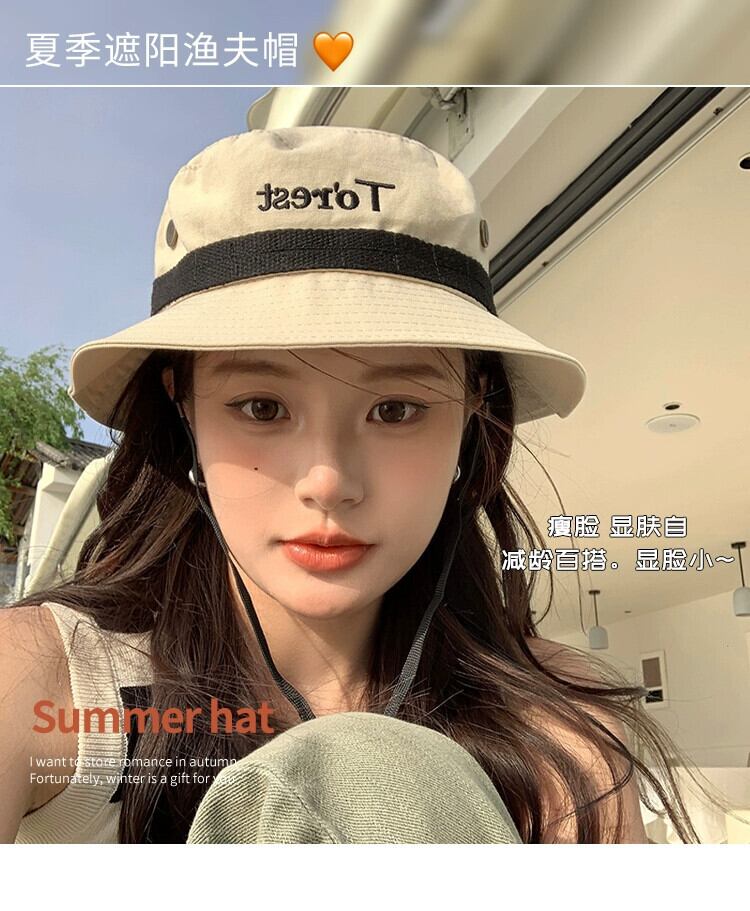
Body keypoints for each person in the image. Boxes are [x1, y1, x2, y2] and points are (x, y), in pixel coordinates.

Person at [0, 126, 724, 844]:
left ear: (473, 408)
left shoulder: (563, 744)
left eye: (396, 409)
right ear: (182, 403)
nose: (328, 481)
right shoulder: (45, 684)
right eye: (262, 407)